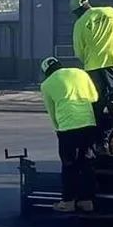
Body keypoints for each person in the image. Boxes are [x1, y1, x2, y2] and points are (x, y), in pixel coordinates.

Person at [38, 56, 99, 213]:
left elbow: (51, 110)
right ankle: (87, 201)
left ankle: (68, 201)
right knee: (87, 162)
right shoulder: (80, 73)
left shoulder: (47, 84)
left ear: (46, 72)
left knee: (69, 165)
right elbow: (94, 97)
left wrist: (57, 128)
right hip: (88, 123)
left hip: (67, 127)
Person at [70, 0, 113, 119]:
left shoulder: (80, 22)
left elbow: (79, 49)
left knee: (96, 98)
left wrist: (85, 61)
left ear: (76, 11)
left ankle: (98, 126)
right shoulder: (111, 12)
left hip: (92, 65)